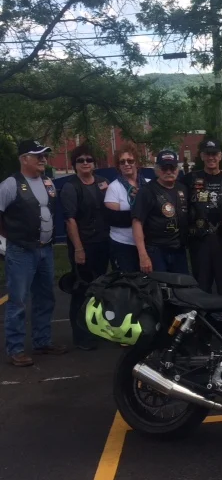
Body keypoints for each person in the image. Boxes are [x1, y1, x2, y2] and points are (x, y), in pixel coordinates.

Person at [0, 139, 67, 366]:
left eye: (44, 155)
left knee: (45, 298)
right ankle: (15, 349)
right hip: (21, 251)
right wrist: (6, 239)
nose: (43, 159)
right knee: (18, 301)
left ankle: (42, 341)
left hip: (45, 250)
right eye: (37, 155)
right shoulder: (10, 184)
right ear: (24, 159)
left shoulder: (48, 182)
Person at [60, 144, 111, 350]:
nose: (85, 163)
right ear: (74, 164)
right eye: (80, 160)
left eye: (89, 159)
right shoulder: (70, 187)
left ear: (94, 163)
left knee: (99, 289)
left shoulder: (103, 182)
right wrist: (79, 249)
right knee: (81, 291)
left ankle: (96, 329)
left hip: (103, 243)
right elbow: (70, 220)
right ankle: (80, 336)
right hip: (84, 246)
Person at [184, 139, 222, 294]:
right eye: (207, 154)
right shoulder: (190, 179)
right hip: (200, 240)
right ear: (201, 156)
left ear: (220, 156)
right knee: (202, 286)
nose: (211, 157)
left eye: (214, 154)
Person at [132, 150, 189, 274]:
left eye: (172, 168)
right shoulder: (147, 191)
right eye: (164, 168)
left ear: (177, 169)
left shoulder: (182, 188)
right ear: (157, 170)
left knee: (182, 284)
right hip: (156, 250)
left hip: (179, 250)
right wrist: (143, 255)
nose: (168, 172)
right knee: (160, 285)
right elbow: (137, 222)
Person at [104, 143, 147, 272]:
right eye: (122, 162)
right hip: (123, 244)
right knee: (127, 281)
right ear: (118, 166)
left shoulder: (149, 184)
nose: (126, 164)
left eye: (130, 160)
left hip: (148, 243)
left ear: (136, 163)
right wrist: (141, 214)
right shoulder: (114, 188)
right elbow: (115, 220)